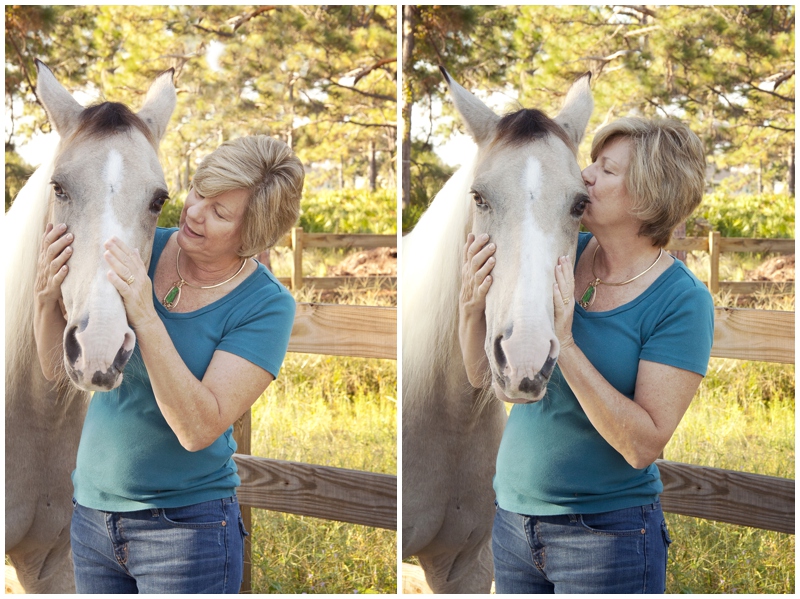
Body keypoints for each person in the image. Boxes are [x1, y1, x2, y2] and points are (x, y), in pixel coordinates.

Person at [34, 135, 304, 593]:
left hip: (186, 533)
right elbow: (57, 372)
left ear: (253, 233)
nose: (195, 212)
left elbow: (199, 429)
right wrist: (44, 301)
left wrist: (144, 311)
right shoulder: (139, 244)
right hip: (91, 519)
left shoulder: (266, 306)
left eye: (220, 212)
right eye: (199, 191)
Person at [460, 117, 714, 593]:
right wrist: (469, 309)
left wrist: (568, 345)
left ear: (649, 194)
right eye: (592, 161)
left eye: (607, 169)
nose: (586, 174)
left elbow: (643, 446)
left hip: (605, 538)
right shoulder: (562, 254)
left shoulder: (682, 300)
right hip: (513, 522)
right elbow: (482, 376)